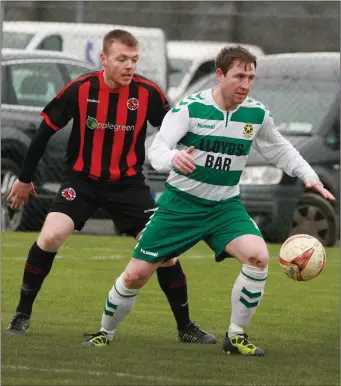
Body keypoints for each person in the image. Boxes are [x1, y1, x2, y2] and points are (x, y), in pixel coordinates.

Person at [83, 45, 335, 354]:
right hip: (181, 205)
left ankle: (236, 335)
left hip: (224, 208)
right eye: (239, 76)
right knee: (136, 274)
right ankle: (104, 332)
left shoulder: (256, 114)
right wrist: (173, 159)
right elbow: (157, 147)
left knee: (258, 257)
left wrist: (309, 176)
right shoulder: (191, 108)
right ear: (219, 75)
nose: (245, 84)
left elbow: (279, 149)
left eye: (251, 77)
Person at [6, 29, 216, 345]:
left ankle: (186, 326)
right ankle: (22, 314)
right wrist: (23, 179)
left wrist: (196, 154)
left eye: (134, 59)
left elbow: (176, 132)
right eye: (122, 59)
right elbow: (43, 133)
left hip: (128, 185)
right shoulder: (80, 89)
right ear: (104, 60)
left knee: (163, 253)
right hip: (82, 182)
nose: (129, 65)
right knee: (50, 236)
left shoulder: (148, 93)